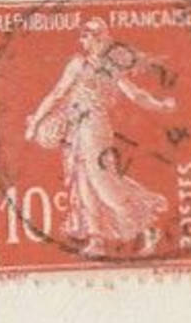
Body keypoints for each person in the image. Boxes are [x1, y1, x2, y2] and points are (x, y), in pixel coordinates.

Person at [24, 18, 175, 258]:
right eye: (82, 36)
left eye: (88, 36)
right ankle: (97, 239)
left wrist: (161, 106)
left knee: (102, 181)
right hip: (75, 128)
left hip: (95, 127)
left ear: (100, 38)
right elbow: (57, 94)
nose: (83, 40)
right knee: (82, 182)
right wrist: (36, 123)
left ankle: (146, 229)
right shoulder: (77, 64)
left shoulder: (110, 68)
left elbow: (135, 94)